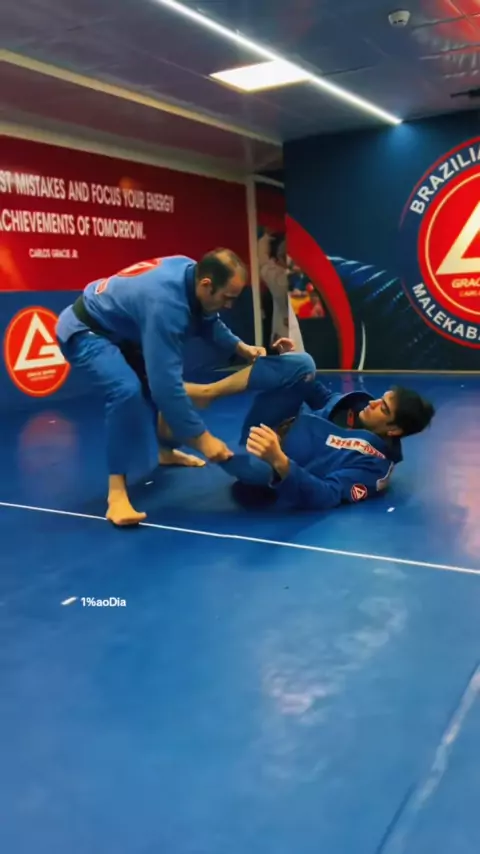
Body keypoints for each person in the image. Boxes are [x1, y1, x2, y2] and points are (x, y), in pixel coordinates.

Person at [56, 249, 266, 526]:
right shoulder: (165, 305)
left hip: (120, 331)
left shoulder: (191, 273)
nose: (229, 305)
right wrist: (202, 439)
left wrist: (242, 348)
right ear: (206, 284)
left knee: (151, 381)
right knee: (127, 390)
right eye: (227, 297)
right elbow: (165, 387)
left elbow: (208, 320)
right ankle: (116, 494)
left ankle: (165, 451)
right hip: (85, 330)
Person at [184, 342, 435, 510]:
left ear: (393, 430)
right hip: (272, 420)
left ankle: (189, 436)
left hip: (270, 463)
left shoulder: (373, 466)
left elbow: (327, 494)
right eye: (382, 398)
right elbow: (317, 392)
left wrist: (280, 461)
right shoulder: (356, 407)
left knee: (261, 471)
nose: (374, 402)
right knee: (305, 364)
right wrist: (286, 361)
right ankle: (208, 393)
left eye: (384, 408)